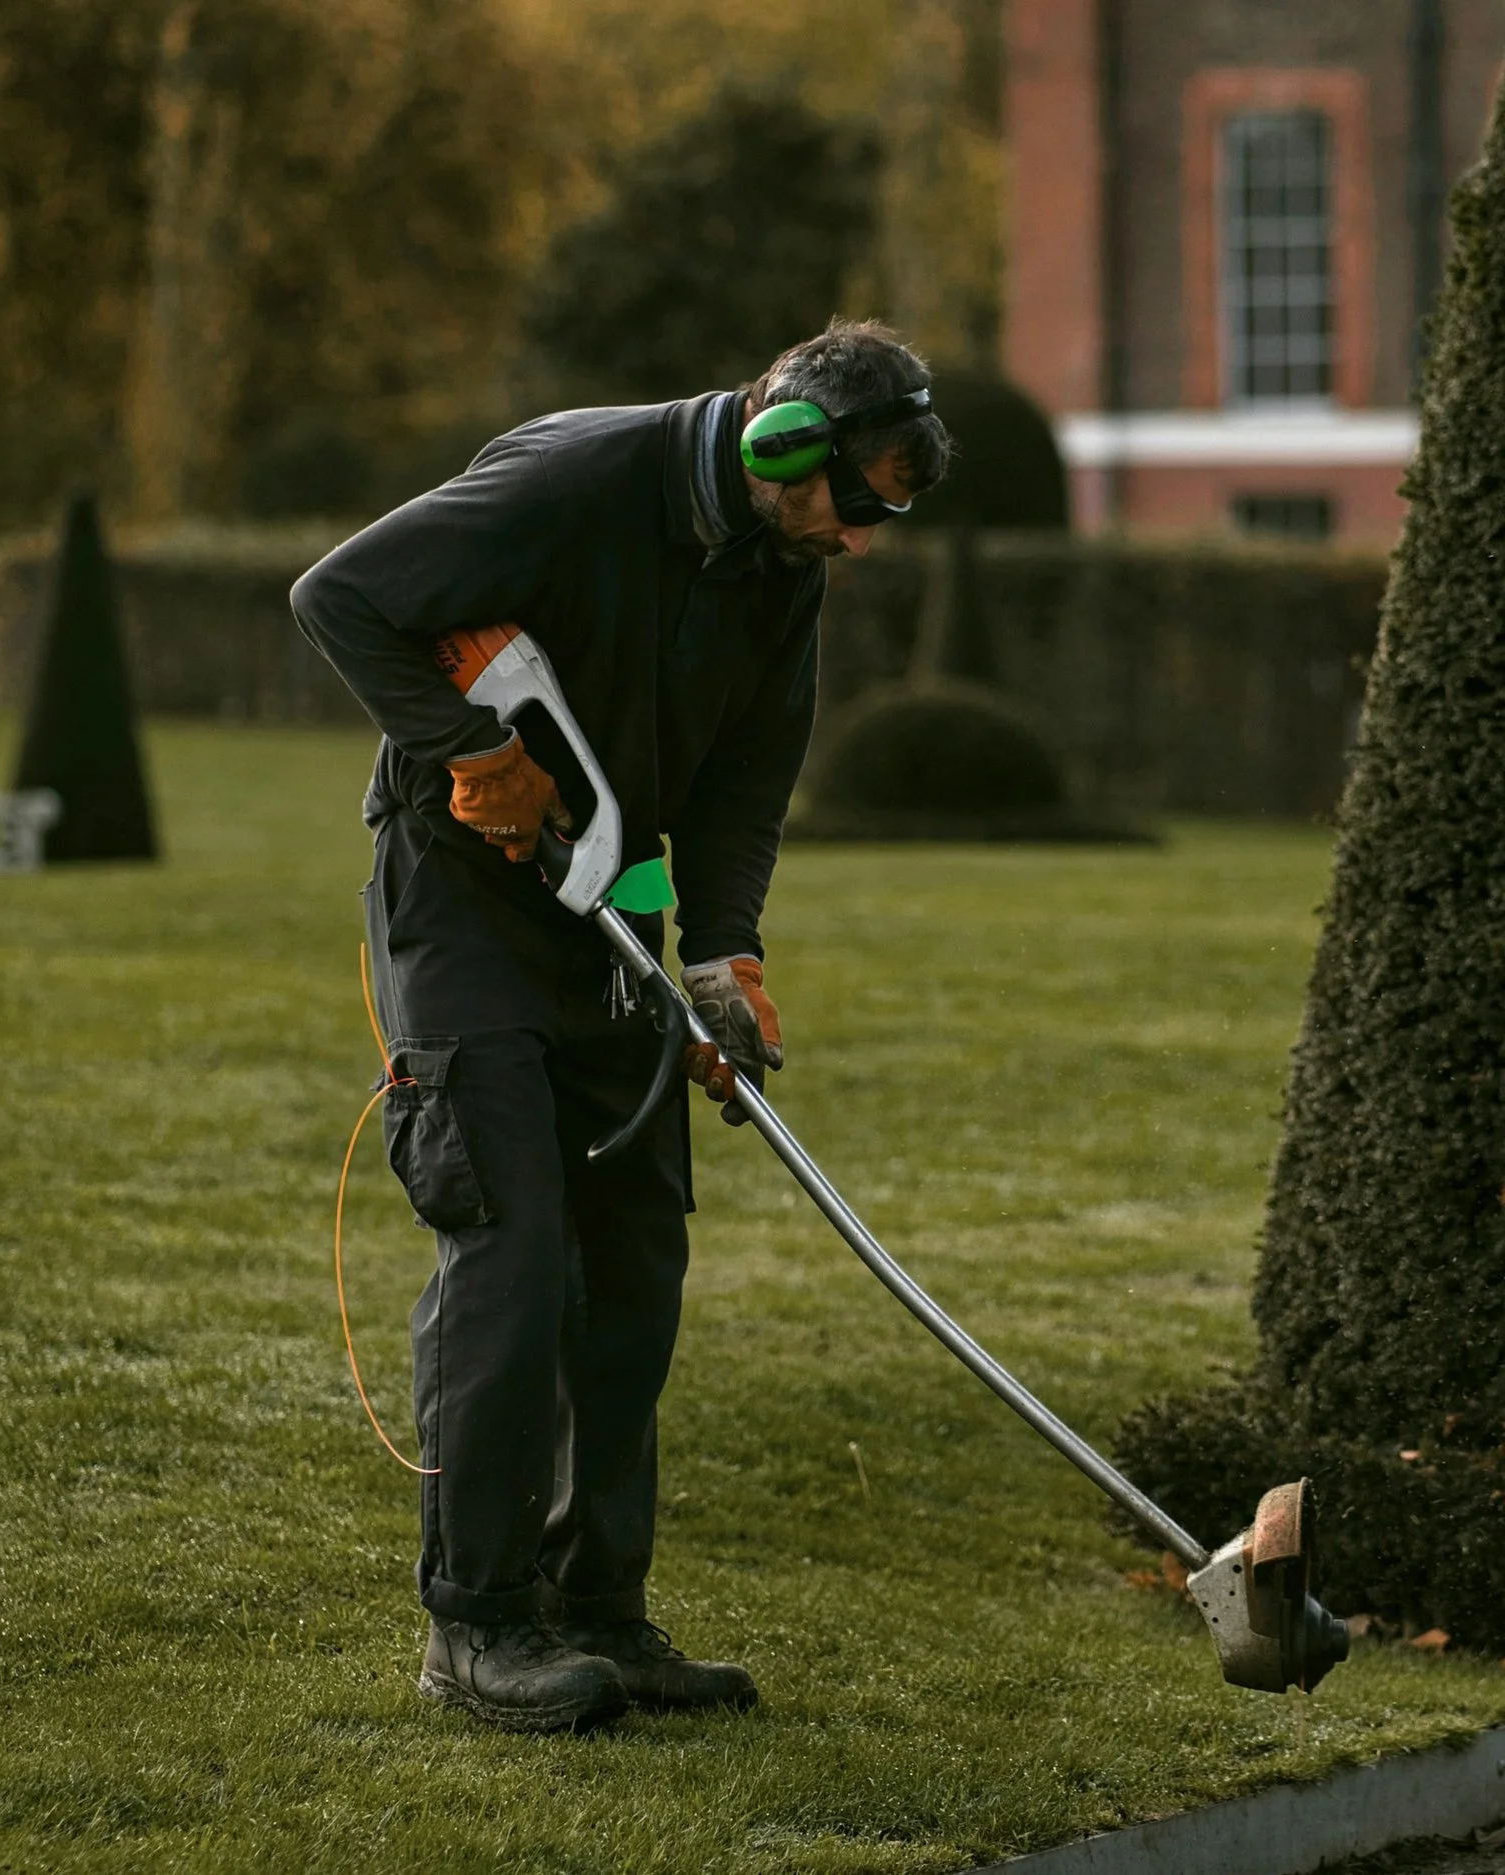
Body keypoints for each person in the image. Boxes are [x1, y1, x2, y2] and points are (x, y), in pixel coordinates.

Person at [291, 320, 950, 1731]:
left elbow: (741, 785)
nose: (863, 538)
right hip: (463, 901)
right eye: (858, 500)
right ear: (782, 442)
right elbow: (337, 595)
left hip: (605, 902)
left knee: (636, 1251)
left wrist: (723, 955)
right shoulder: (575, 479)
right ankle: (477, 1625)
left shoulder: (785, 564)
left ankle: (601, 1610)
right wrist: (471, 749)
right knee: (512, 1236)